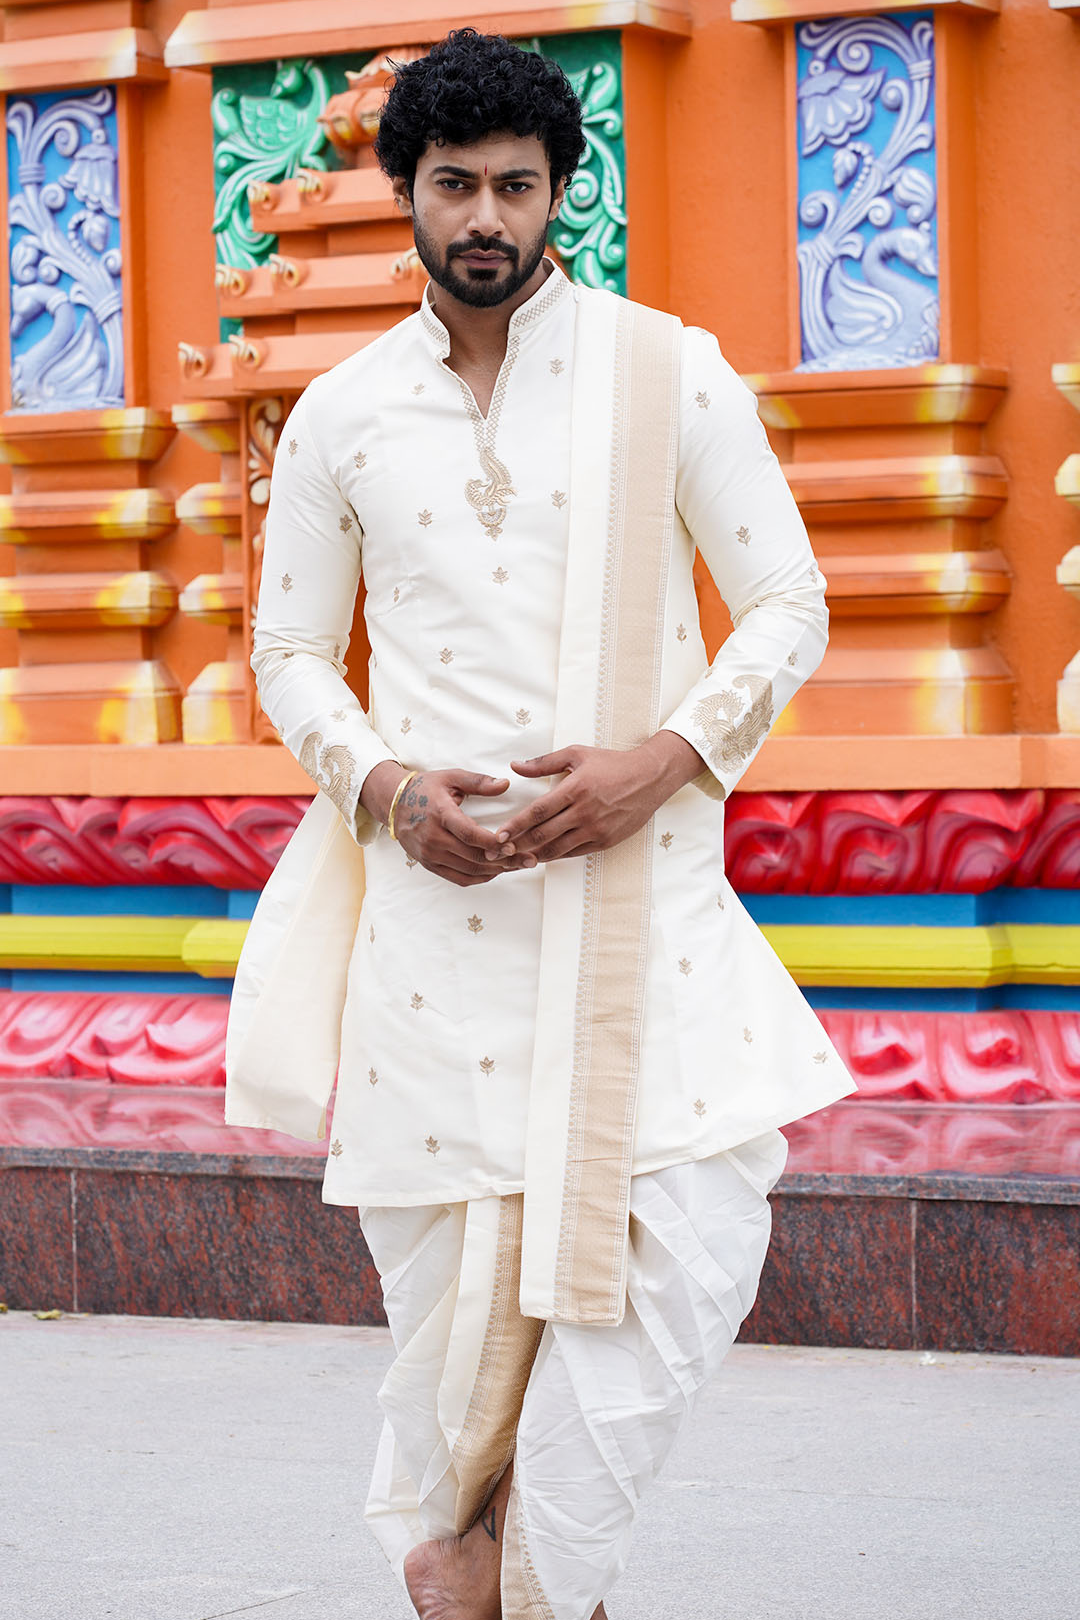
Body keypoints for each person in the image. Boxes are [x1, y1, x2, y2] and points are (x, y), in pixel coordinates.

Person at [226, 28, 855, 1620]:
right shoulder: (342, 416)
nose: (485, 216)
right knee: (450, 1450)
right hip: (437, 956)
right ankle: (473, 1571)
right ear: (408, 198)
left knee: (684, 1253)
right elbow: (289, 652)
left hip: (643, 921)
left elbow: (787, 601)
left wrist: (673, 755)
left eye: (517, 184)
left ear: (564, 191)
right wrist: (381, 790)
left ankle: (542, 1573)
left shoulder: (669, 371)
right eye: (454, 186)